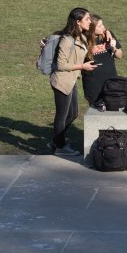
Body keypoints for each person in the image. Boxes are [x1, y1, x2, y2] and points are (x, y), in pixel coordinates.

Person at [49, 8, 96, 156]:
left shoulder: (80, 37)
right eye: (87, 19)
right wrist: (82, 66)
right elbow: (61, 64)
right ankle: (60, 147)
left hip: (72, 80)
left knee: (74, 113)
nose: (90, 21)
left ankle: (56, 140)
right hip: (62, 81)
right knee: (62, 115)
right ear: (77, 21)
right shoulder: (67, 39)